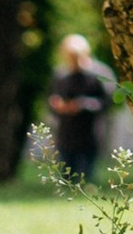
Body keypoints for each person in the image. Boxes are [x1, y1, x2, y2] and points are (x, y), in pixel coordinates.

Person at [45, 36, 116, 184]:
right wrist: (58, 105)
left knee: (85, 177)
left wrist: (83, 105)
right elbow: (51, 99)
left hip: (90, 132)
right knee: (66, 178)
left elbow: (108, 101)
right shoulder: (60, 75)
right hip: (66, 133)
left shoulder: (100, 74)